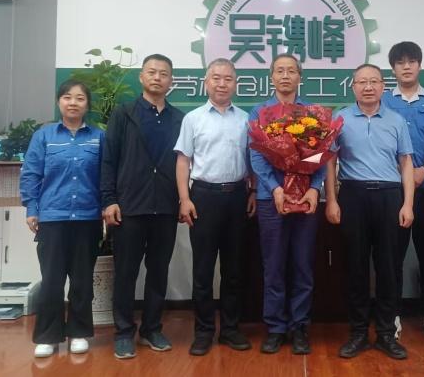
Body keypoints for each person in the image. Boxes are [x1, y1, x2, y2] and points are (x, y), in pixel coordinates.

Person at [326, 64, 415, 360]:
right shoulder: (340, 118)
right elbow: (329, 161)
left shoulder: (396, 120)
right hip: (353, 195)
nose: (368, 87)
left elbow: (406, 163)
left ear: (382, 86)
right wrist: (332, 199)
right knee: (355, 267)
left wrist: (408, 203)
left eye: (373, 81)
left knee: (388, 267)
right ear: (353, 87)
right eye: (362, 82)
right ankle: (358, 333)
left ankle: (387, 333)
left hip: (390, 196)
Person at [101, 54, 185, 359]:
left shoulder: (179, 119)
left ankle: (152, 328)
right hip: (130, 206)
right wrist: (109, 199)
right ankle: (124, 332)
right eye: (152, 72)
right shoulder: (124, 114)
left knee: (158, 272)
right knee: (126, 273)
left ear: (171, 80)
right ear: (141, 77)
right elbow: (108, 159)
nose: (157, 77)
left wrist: (183, 199)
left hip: (165, 206)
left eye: (164, 73)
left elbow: (185, 162)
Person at [175, 58, 256, 356]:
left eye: (228, 78)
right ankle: (204, 331)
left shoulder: (246, 119)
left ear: (236, 84)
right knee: (203, 269)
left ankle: (231, 329)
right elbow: (183, 160)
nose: (222, 84)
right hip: (204, 197)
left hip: (237, 196)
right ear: (206, 82)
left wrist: (253, 191)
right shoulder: (193, 119)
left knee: (234, 269)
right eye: (216, 78)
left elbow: (253, 161)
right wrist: (185, 199)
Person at [20, 79, 104, 358]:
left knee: (82, 281)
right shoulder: (44, 136)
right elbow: (31, 174)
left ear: (87, 105)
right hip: (52, 217)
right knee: (52, 280)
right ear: (59, 102)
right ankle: (48, 336)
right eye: (67, 97)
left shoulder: (99, 137)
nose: (73, 103)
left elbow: (106, 178)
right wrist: (32, 208)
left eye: (80, 98)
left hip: (87, 218)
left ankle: (78, 333)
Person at [249, 53, 326, 355]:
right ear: (271, 77)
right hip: (272, 200)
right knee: (274, 265)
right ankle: (276, 328)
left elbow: (321, 156)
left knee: (303, 264)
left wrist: (315, 188)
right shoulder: (260, 111)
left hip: (305, 199)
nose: (285, 76)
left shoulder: (312, 113)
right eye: (279, 71)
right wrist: (275, 188)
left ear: (299, 77)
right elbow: (256, 155)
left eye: (291, 71)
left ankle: (300, 327)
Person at [382, 41, 424, 343]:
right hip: (394, 190)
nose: (406, 67)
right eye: (400, 62)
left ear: (420, 65)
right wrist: (402, 176)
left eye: (412, 61)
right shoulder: (383, 101)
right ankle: (392, 314)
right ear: (393, 68)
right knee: (392, 255)